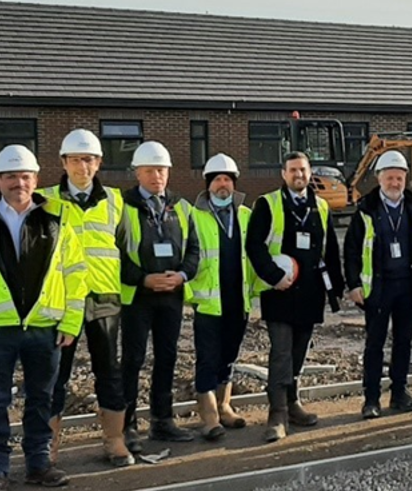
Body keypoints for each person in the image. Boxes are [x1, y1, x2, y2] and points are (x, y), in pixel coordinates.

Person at [42, 129, 133, 468]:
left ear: (99, 163)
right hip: (60, 301)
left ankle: (114, 440)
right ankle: (47, 448)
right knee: (55, 375)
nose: (84, 165)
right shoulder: (45, 199)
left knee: (109, 370)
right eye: (77, 159)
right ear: (64, 162)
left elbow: (124, 247)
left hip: (104, 298)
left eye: (90, 159)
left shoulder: (115, 200)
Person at [0, 145, 87, 491]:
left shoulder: (59, 217)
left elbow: (76, 273)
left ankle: (39, 464)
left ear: (36, 179)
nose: (18, 183)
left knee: (42, 398)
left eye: (25, 176)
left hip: (45, 327)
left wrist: (70, 322)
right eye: (10, 176)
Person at [247, 152, 342, 442]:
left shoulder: (321, 207)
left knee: (299, 352)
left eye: (303, 170)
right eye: (293, 170)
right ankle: (276, 414)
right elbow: (254, 245)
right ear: (283, 174)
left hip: (310, 294)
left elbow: (330, 250)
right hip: (279, 293)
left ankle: (292, 404)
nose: (298, 175)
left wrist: (336, 289)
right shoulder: (268, 204)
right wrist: (274, 276)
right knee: (281, 352)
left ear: (309, 173)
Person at [344, 150, 412, 419]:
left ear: (405, 179)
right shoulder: (366, 210)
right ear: (379, 178)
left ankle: (400, 393)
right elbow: (351, 250)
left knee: (403, 342)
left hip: (408, 286)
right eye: (389, 178)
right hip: (378, 288)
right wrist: (353, 284)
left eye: (399, 178)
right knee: (374, 344)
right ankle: (371, 399)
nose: (394, 183)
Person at [117, 141, 200, 450]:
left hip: (171, 296)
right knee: (133, 360)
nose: (157, 176)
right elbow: (114, 254)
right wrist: (143, 279)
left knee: (167, 357)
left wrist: (181, 275)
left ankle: (162, 421)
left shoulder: (181, 206)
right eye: (150, 170)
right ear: (137, 172)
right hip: (137, 297)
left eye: (162, 170)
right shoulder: (122, 206)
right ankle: (127, 426)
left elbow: (194, 249)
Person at [189, 154, 253, 441]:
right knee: (208, 358)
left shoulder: (245, 216)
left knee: (229, 356)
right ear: (208, 185)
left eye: (227, 179)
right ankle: (209, 417)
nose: (222, 185)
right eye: (217, 180)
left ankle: (225, 405)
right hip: (208, 301)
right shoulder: (194, 216)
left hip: (238, 299)